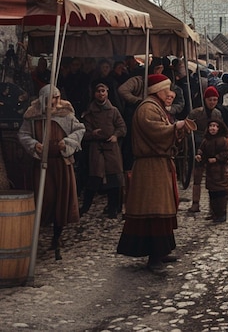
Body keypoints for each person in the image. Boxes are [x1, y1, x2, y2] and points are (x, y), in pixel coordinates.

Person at [116, 74, 190, 273]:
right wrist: (176, 127)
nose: (171, 93)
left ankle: (162, 250)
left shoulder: (155, 106)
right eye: (167, 89)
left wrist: (177, 129)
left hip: (158, 165)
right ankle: (154, 256)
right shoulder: (147, 107)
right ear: (158, 90)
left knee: (162, 209)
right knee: (154, 210)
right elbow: (155, 131)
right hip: (150, 168)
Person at [19, 84, 85, 259]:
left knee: (61, 200)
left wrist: (68, 142)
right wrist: (34, 145)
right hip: (43, 165)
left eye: (57, 97)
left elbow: (80, 129)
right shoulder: (33, 115)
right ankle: (37, 235)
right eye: (51, 98)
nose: (55, 102)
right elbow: (23, 134)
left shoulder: (66, 113)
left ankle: (57, 237)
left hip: (62, 164)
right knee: (45, 198)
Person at [80, 83, 126, 219]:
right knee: (94, 178)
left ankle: (113, 208)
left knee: (114, 179)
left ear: (107, 93)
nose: (101, 94)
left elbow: (122, 127)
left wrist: (115, 135)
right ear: (94, 94)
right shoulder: (90, 112)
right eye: (98, 91)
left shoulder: (114, 111)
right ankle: (85, 207)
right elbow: (83, 132)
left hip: (111, 148)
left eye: (103, 91)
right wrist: (92, 133)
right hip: (96, 147)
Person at [186, 85, 228, 212]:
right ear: (205, 99)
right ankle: (195, 203)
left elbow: (221, 129)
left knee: (213, 180)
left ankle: (213, 208)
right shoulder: (196, 113)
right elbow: (187, 127)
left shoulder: (217, 113)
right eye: (210, 99)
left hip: (213, 149)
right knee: (197, 176)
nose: (212, 102)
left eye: (214, 100)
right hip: (198, 146)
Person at [195, 118, 228, 222]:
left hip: (220, 171)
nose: (213, 128)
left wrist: (217, 158)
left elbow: (227, 153)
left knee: (220, 192)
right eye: (211, 126)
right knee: (212, 193)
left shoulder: (222, 140)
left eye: (215, 126)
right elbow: (201, 150)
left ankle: (221, 214)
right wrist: (199, 156)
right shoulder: (206, 140)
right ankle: (214, 212)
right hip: (211, 171)